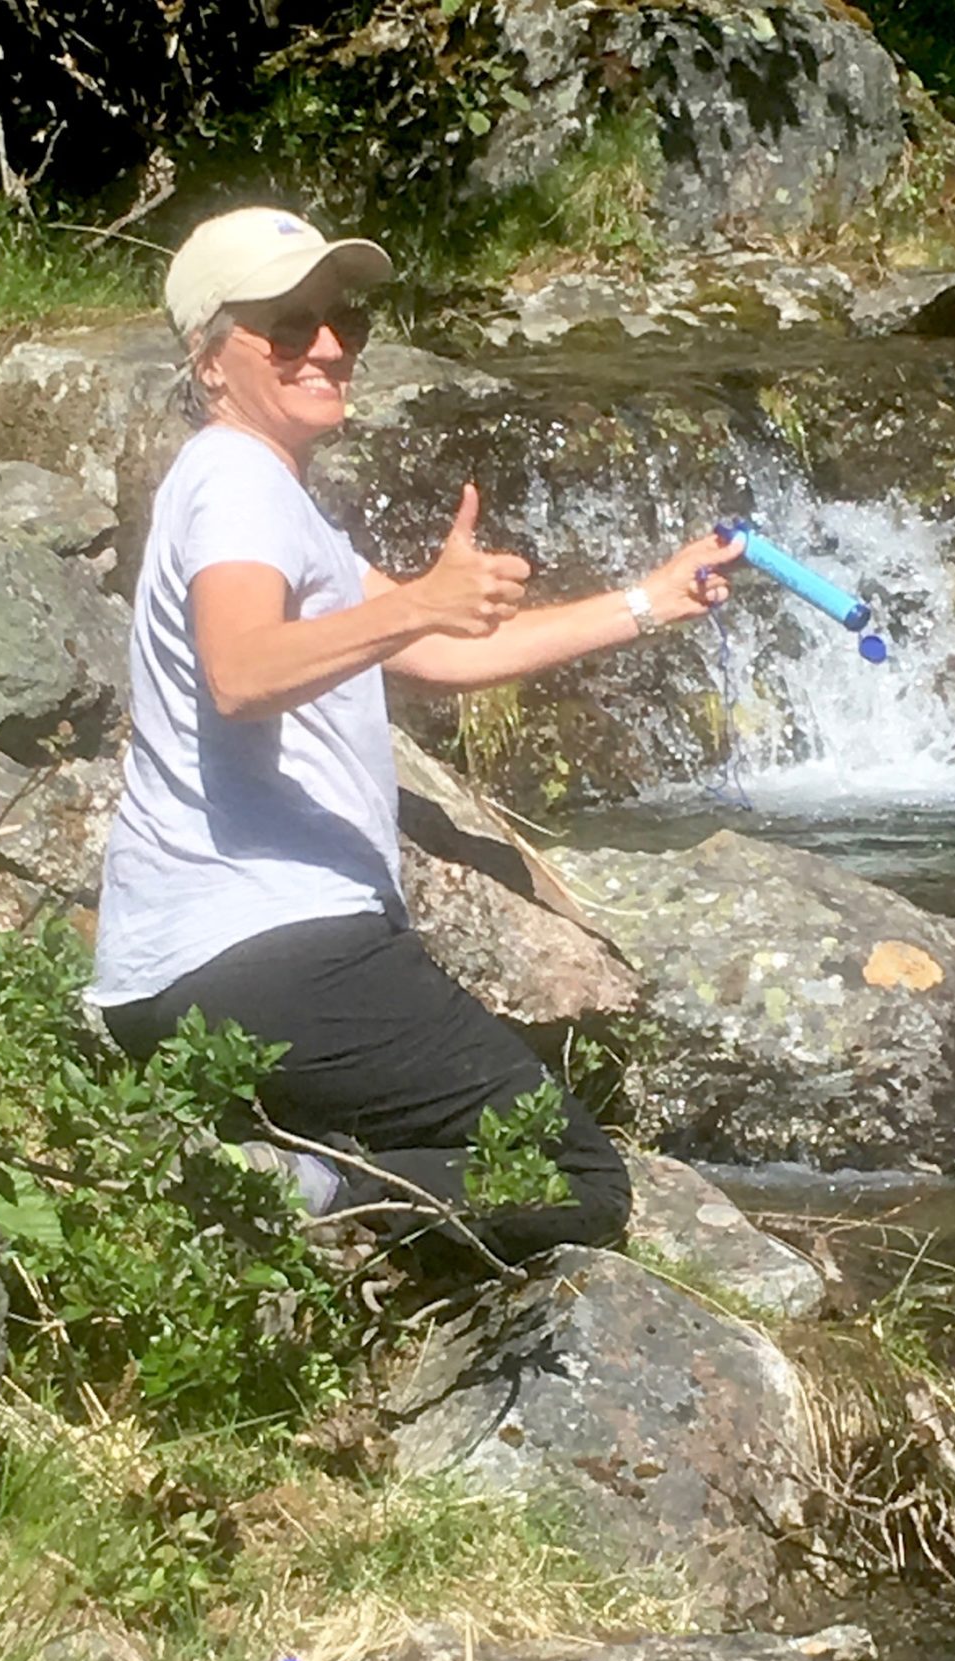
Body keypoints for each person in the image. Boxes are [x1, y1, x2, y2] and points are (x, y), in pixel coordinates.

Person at [88, 205, 740, 1270]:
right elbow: (243, 672)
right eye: (286, 328)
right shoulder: (236, 481)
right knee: (576, 1178)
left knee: (489, 1144)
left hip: (188, 975)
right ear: (210, 360)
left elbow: (447, 657)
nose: (331, 346)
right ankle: (290, 1188)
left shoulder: (263, 498)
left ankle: (269, 1158)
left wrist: (650, 601)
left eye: (339, 318)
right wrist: (416, 605)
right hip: (272, 950)